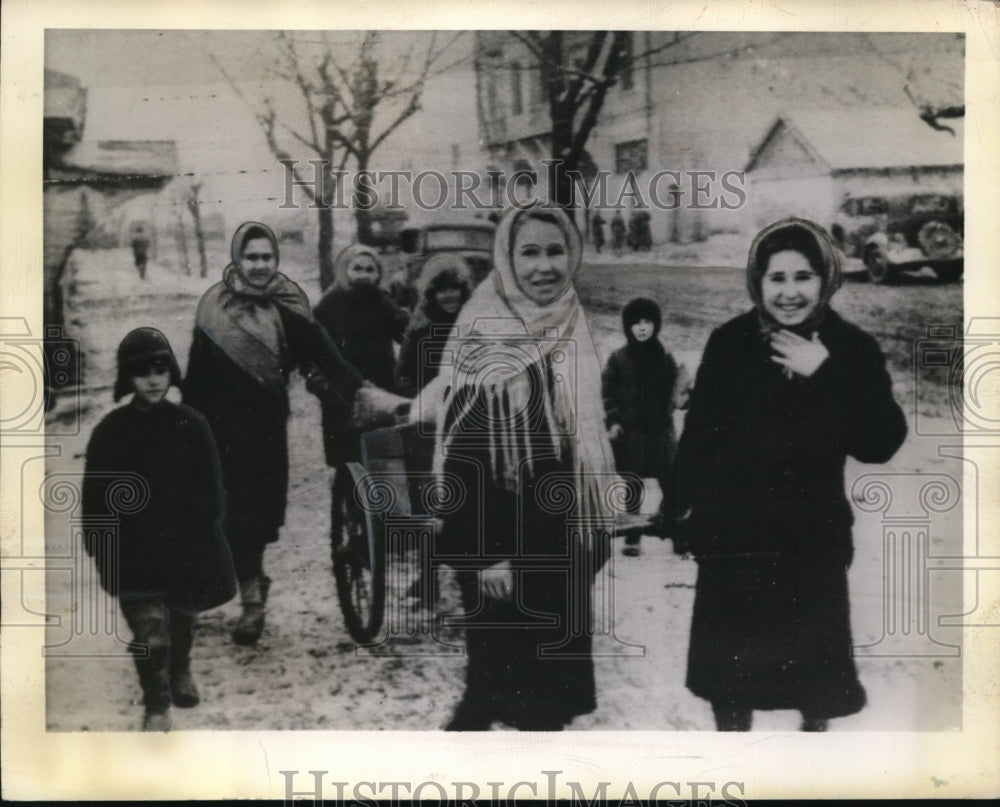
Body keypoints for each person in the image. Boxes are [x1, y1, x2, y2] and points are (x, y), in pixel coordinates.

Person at [670, 217, 907, 732]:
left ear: (826, 279)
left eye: (803, 277)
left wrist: (826, 374)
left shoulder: (851, 350)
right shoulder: (730, 342)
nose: (789, 292)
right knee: (731, 685)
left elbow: (881, 443)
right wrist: (679, 507)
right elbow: (700, 435)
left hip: (810, 542)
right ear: (758, 281)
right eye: (776, 278)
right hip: (735, 537)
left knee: (813, 687)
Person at [433, 204, 617, 731]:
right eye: (528, 253)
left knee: (547, 708)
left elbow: (583, 437)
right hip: (503, 547)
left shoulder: (570, 323)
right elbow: (464, 458)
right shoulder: (483, 329)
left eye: (555, 251)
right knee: (498, 693)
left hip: (559, 538)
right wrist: (488, 556)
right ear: (507, 259)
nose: (544, 267)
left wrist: (594, 525)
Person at [183, 222, 363, 645]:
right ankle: (218, 589)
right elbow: (195, 372)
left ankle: (251, 603)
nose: (259, 265)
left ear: (275, 261)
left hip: (262, 431)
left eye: (267, 258)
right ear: (237, 259)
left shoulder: (287, 306)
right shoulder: (212, 307)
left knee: (252, 518)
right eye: (252, 257)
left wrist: (360, 392)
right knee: (213, 512)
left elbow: (323, 355)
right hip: (215, 428)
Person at [82, 328, 237, 731]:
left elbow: (211, 488)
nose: (153, 380)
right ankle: (156, 705)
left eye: (160, 370)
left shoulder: (191, 424)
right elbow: (95, 498)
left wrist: (205, 532)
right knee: (151, 634)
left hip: (184, 550)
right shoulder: (110, 432)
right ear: (126, 378)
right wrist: (101, 549)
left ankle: (181, 669)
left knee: (181, 621)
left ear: (171, 373)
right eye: (142, 372)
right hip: (133, 554)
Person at [313, 243, 411, 468]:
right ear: (345, 270)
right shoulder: (328, 306)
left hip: (380, 395)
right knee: (347, 468)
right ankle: (343, 504)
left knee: (380, 464)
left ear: (378, 274)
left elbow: (409, 340)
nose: (364, 275)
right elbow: (310, 353)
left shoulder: (384, 304)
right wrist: (321, 386)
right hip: (341, 399)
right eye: (357, 269)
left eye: (370, 270)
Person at [602, 297, 685, 557]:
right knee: (632, 485)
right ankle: (633, 536)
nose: (641, 327)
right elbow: (608, 393)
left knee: (671, 483)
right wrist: (614, 420)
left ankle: (675, 532)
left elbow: (678, 390)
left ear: (655, 325)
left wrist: (683, 396)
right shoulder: (618, 359)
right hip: (631, 434)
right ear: (628, 326)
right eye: (636, 322)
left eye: (647, 322)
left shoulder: (665, 357)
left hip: (660, 433)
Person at [394, 254, 472, 398]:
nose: (450, 295)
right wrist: (424, 397)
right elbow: (403, 379)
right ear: (431, 294)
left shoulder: (472, 329)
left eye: (455, 288)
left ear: (463, 290)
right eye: (442, 290)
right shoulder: (419, 333)